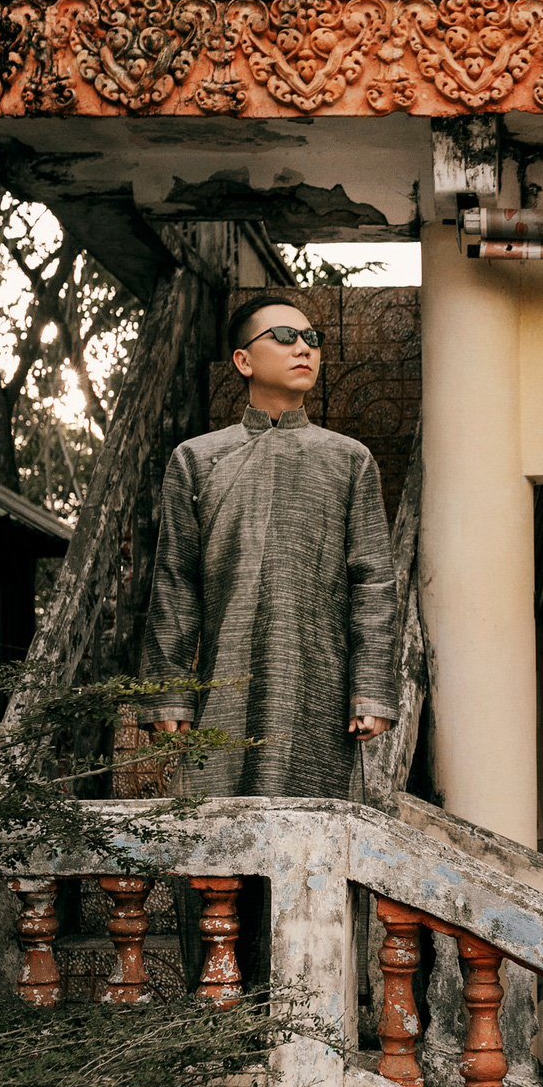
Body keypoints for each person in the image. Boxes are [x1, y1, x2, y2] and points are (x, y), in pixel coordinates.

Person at [138, 295, 397, 797]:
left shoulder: (350, 461)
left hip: (319, 687)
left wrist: (370, 686)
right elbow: (175, 581)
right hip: (224, 682)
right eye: (284, 337)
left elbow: (373, 583)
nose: (303, 348)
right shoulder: (196, 459)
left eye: (312, 339)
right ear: (244, 360)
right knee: (216, 828)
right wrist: (169, 690)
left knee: (315, 828)